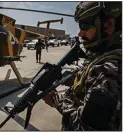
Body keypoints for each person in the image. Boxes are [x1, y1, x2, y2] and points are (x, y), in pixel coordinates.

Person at [43, 2, 122, 131]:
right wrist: (64, 76)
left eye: (84, 26)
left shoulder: (110, 69)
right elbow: (89, 76)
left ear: (109, 25)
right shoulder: (103, 54)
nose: (80, 33)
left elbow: (86, 127)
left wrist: (55, 100)